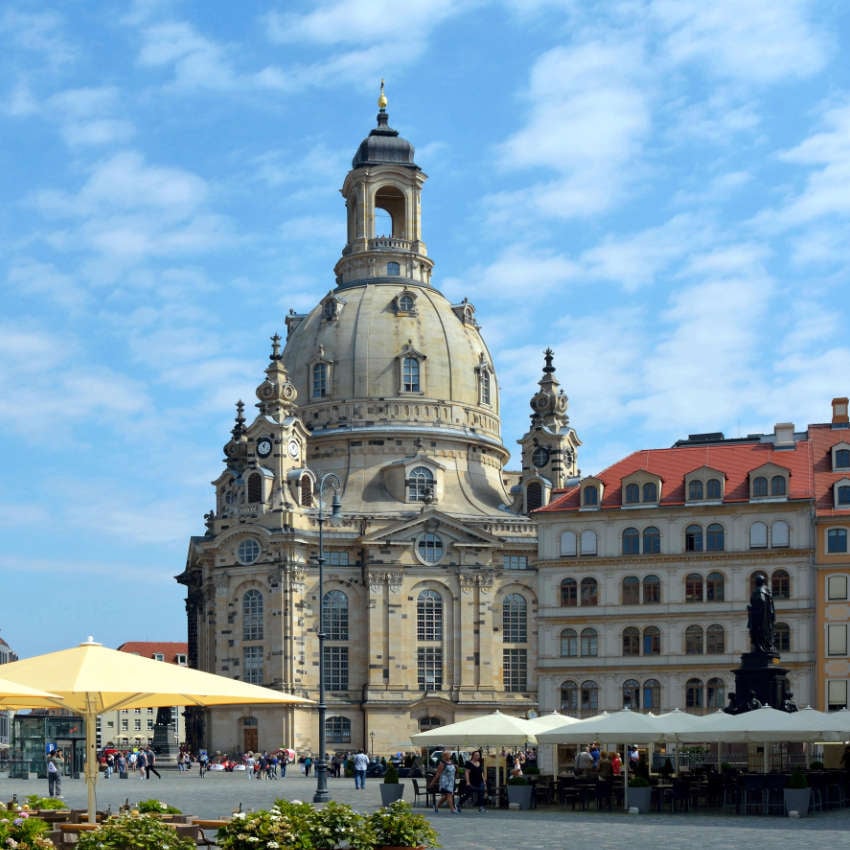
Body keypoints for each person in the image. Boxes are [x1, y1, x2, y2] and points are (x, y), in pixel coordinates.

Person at [747, 572, 776, 653]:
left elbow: (760, 601)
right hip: (767, 617)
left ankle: (759, 646)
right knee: (766, 632)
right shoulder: (767, 591)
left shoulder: (758, 591)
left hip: (759, 617)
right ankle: (765, 646)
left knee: (757, 632)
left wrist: (752, 610)